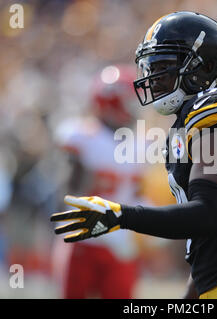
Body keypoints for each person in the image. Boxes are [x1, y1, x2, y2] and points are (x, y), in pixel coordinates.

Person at [51, 11, 217, 299]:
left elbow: (207, 213)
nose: (152, 77)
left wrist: (121, 215)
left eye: (163, 65)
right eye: (150, 65)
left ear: (203, 68)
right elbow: (207, 241)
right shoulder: (185, 126)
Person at [51, 65, 146, 298]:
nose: (134, 107)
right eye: (128, 101)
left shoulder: (139, 142)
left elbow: (136, 192)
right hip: (84, 235)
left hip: (120, 238)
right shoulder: (83, 136)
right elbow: (69, 186)